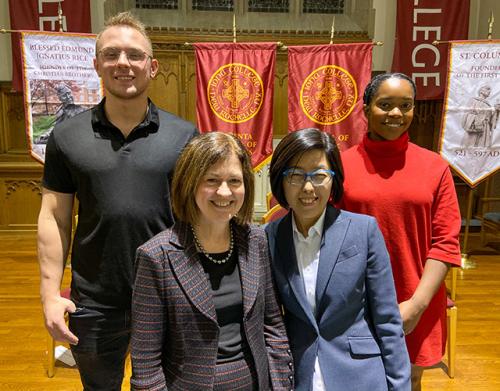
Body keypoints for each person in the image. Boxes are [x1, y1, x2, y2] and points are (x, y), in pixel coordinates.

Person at [37, 12, 197, 390]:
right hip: (94, 300)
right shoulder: (67, 136)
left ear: (152, 66)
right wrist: (49, 296)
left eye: (134, 55)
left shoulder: (184, 135)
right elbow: (54, 218)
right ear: (96, 65)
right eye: (111, 54)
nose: (123, 63)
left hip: (167, 295)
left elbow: (198, 219)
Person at [131, 132, 294, 391]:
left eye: (234, 181)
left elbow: (272, 324)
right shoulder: (156, 256)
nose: (224, 192)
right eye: (212, 180)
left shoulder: (256, 240)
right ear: (189, 183)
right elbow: (146, 363)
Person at [341, 73, 462, 391]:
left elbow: (446, 242)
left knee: (407, 379)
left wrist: (417, 304)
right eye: (385, 105)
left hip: (416, 296)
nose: (396, 113)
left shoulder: (435, 167)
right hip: (356, 299)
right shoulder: (341, 166)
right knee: (355, 378)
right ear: (365, 109)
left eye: (405, 105)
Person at [265, 128, 410, 391]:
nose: (308, 187)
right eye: (295, 175)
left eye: (319, 175)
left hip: (360, 374)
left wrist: (399, 386)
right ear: (280, 180)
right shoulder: (269, 238)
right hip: (298, 374)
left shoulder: (363, 230)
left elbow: (388, 320)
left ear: (334, 180)